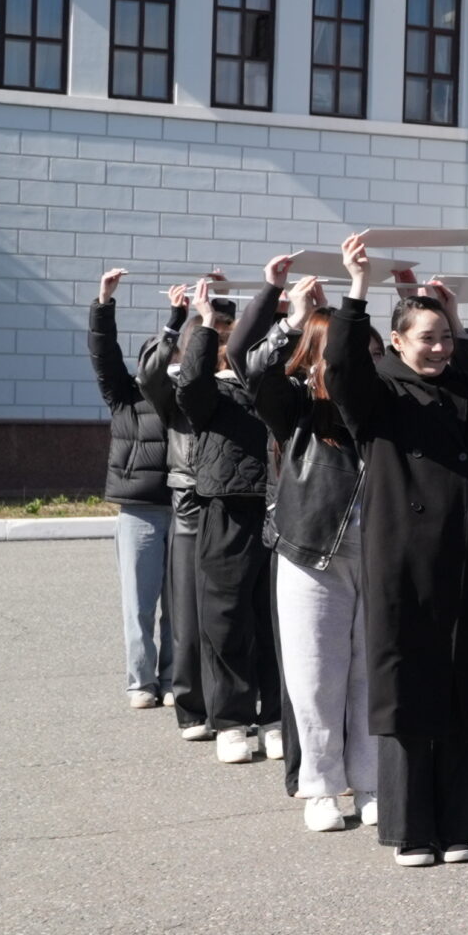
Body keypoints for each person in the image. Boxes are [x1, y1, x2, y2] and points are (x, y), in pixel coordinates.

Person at [324, 232, 468, 867]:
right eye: (427, 338)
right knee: (412, 699)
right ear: (397, 341)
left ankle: (462, 826)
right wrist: (357, 288)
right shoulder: (378, 396)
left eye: (446, 337)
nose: (440, 347)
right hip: (405, 569)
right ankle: (412, 832)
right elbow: (339, 367)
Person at [234, 262, 375, 831]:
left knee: (370, 674)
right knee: (315, 676)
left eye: (363, 351)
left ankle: (369, 784)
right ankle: (319, 789)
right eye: (342, 351)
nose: (354, 363)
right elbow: (252, 369)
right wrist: (287, 318)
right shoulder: (296, 409)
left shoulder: (380, 405)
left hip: (379, 553)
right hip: (310, 550)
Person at [174, 277, 281, 767]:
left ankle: (277, 716)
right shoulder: (209, 393)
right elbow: (189, 380)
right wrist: (203, 323)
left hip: (279, 509)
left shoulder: (270, 386)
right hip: (228, 510)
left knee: (274, 622)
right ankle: (233, 721)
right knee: (226, 619)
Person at [88, 267, 174, 711]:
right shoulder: (123, 395)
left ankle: (174, 677)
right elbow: (103, 354)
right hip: (139, 509)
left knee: (178, 607)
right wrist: (104, 302)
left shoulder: (184, 398)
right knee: (138, 604)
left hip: (183, 505)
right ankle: (140, 681)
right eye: (151, 356)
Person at [137, 282, 208, 740]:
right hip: (188, 501)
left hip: (237, 502)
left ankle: (237, 704)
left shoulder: (235, 382)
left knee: (233, 613)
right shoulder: (175, 390)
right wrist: (176, 322)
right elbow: (146, 375)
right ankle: (191, 706)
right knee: (185, 612)